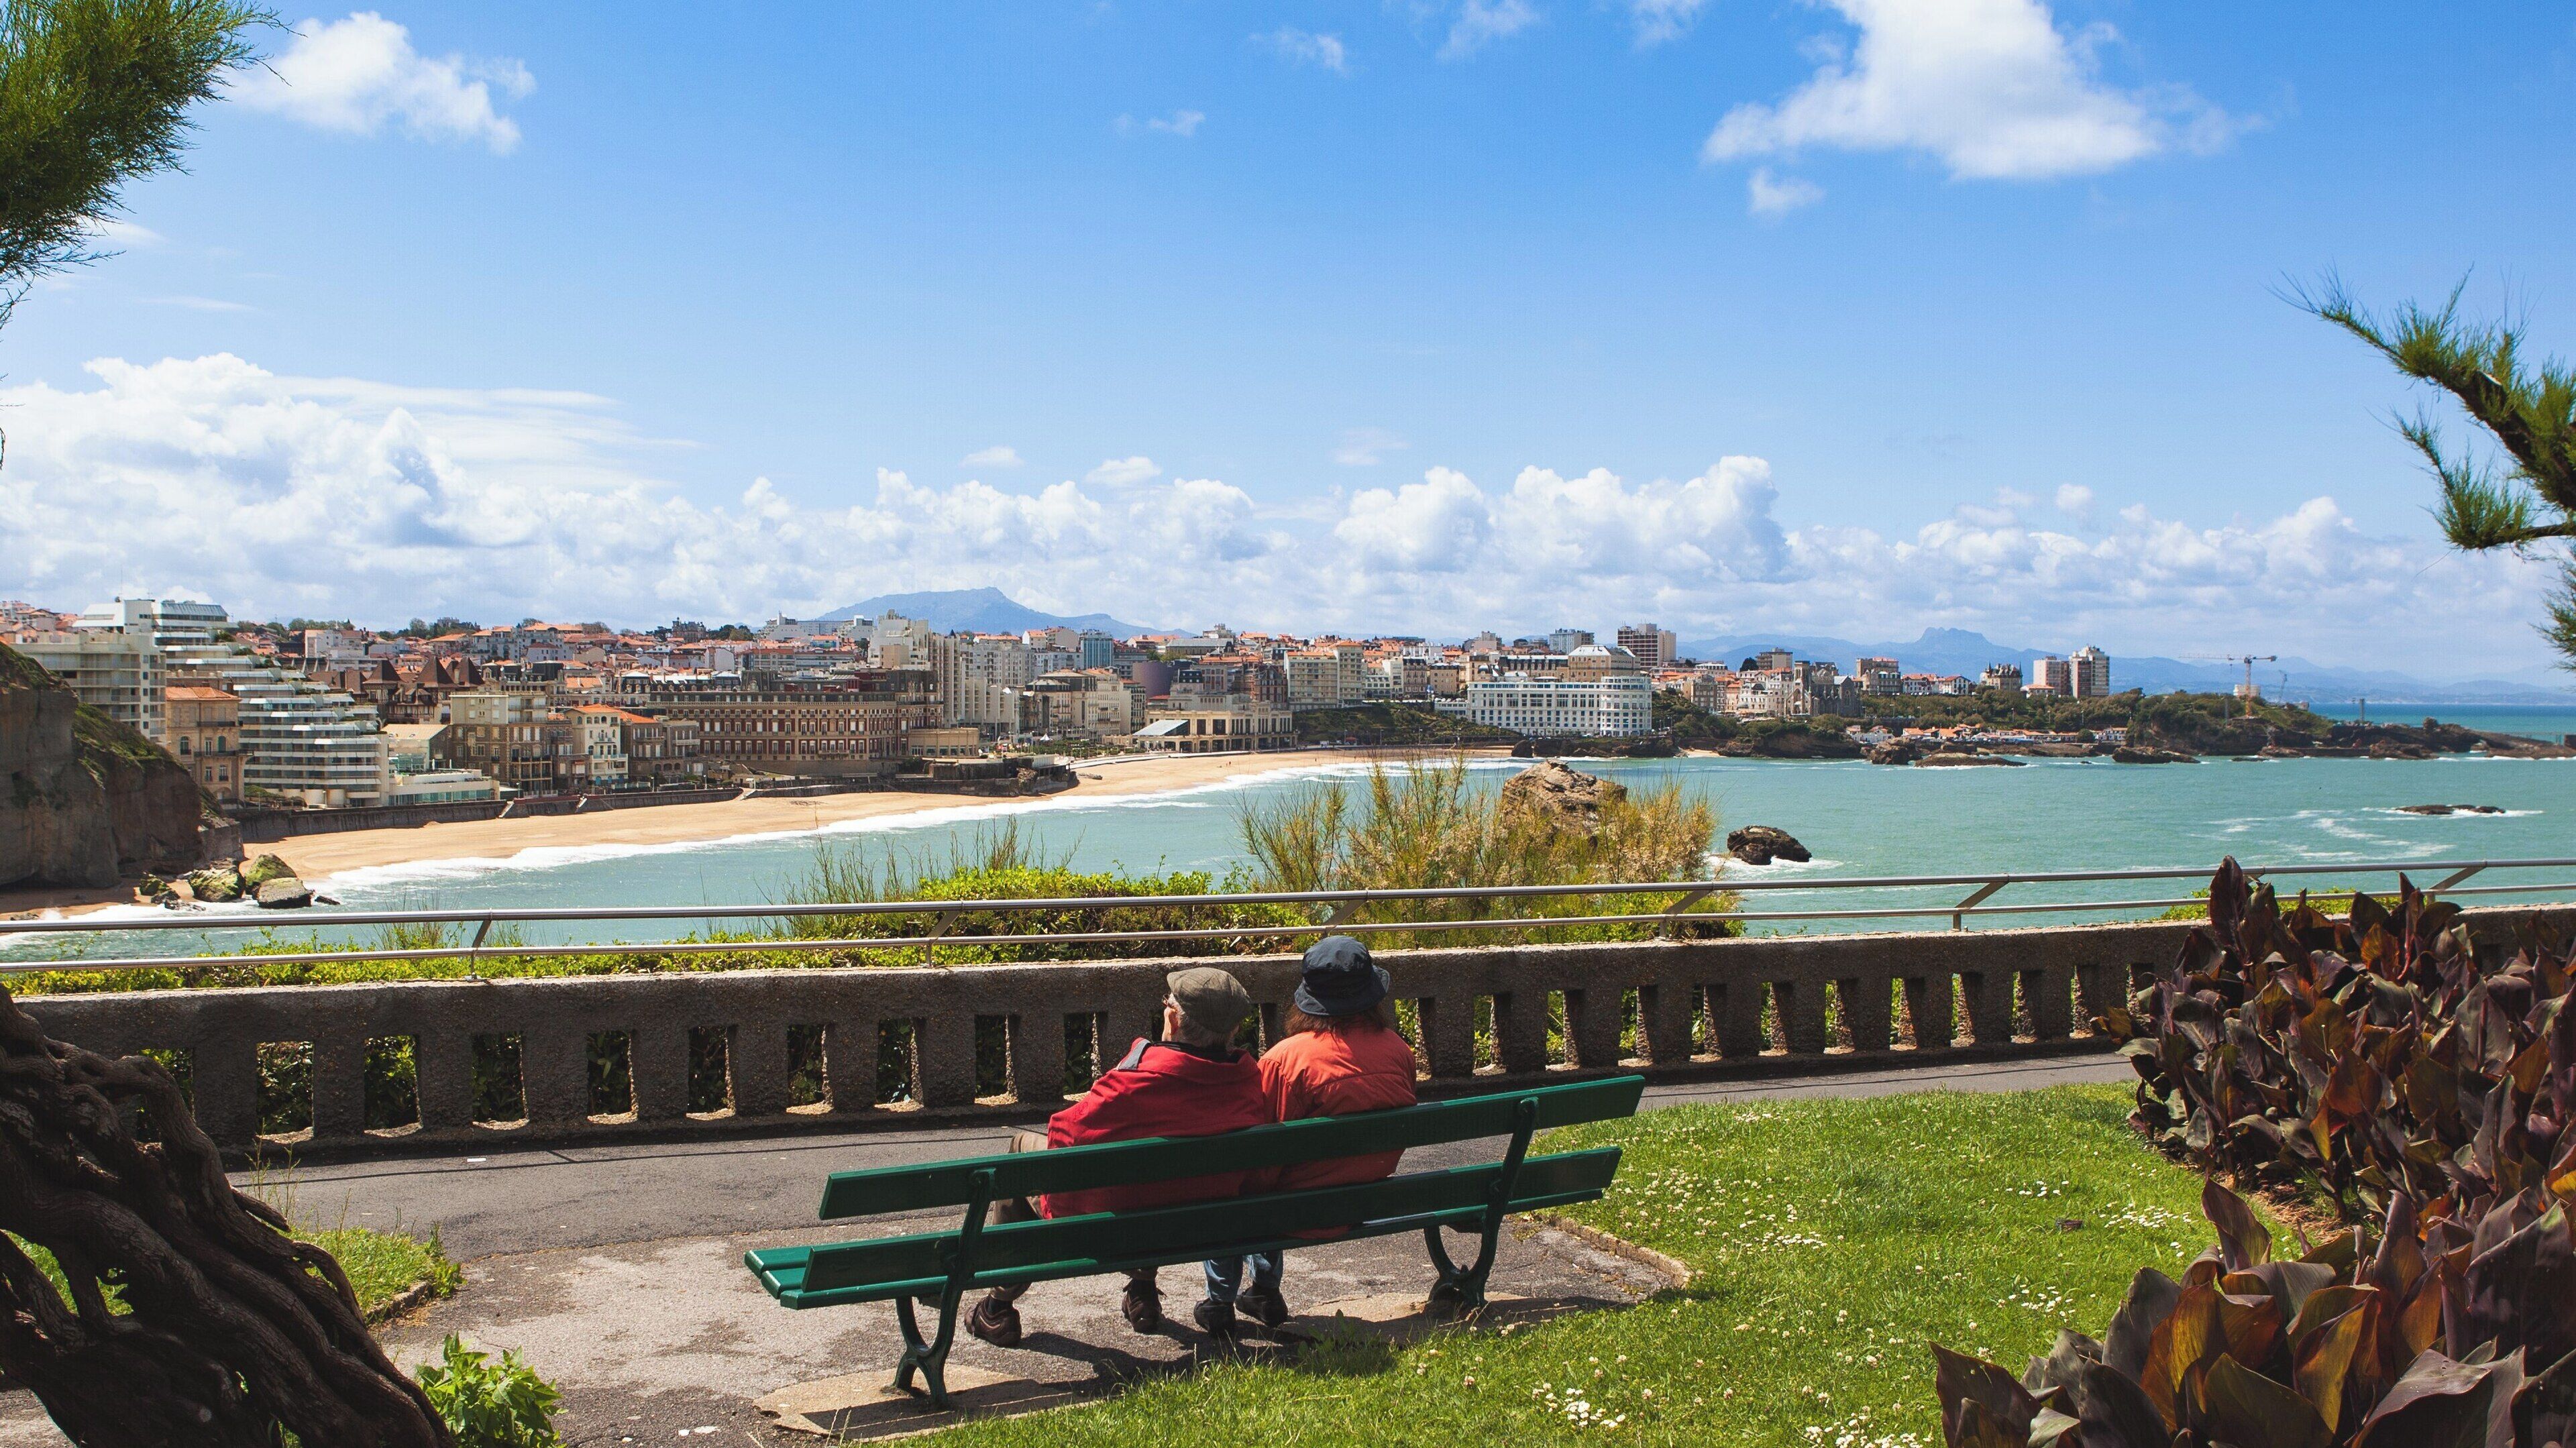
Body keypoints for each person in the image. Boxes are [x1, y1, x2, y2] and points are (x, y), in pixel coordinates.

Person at [965, 966, 1270, 1347]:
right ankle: (1141, 1291)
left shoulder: (1132, 1084)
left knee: (1021, 1152)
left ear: (1173, 1020)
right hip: (1195, 1222)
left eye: (1166, 1004)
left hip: (1123, 1226)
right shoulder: (1246, 1082)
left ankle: (998, 1306)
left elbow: (1065, 1135)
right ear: (1232, 1031)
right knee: (1160, 1175)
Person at [1197, 934, 1419, 1337]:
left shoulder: (1288, 1058)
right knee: (1275, 1182)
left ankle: (1222, 1300)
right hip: (1368, 1196)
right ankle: (1262, 1292)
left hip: (1299, 1210)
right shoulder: (1398, 1050)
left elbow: (1263, 1156)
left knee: (1235, 1184)